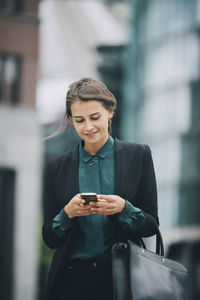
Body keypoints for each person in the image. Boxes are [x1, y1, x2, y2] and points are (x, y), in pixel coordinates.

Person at [42, 77, 159, 300]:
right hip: (70, 281)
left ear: (110, 111)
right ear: (71, 121)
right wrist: (67, 214)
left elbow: (151, 225)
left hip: (120, 279)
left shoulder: (139, 155)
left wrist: (125, 208)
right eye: (79, 120)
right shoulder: (57, 167)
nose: (88, 127)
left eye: (95, 117)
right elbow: (49, 237)